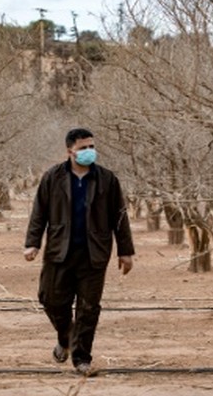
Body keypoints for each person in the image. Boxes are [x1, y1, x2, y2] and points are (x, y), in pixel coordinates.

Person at [24, 128, 135, 376]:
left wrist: (125, 251)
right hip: (58, 251)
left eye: (91, 147)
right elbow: (39, 212)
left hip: (94, 253)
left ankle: (81, 358)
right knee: (50, 299)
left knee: (88, 307)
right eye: (83, 148)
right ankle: (66, 338)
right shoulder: (52, 177)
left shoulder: (107, 179)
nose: (89, 152)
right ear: (70, 151)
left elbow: (120, 217)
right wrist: (32, 243)